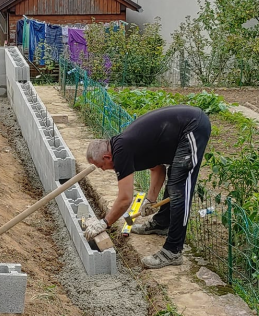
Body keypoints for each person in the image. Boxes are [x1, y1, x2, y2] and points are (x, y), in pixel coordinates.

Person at [84, 105, 211, 269]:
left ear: (107, 156)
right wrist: (150, 200)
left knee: (180, 188)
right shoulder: (124, 146)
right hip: (183, 128)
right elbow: (157, 169)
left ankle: (173, 250)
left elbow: (125, 199)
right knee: (175, 178)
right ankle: (162, 223)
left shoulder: (121, 152)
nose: (103, 170)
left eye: (101, 166)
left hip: (193, 127)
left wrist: (105, 223)